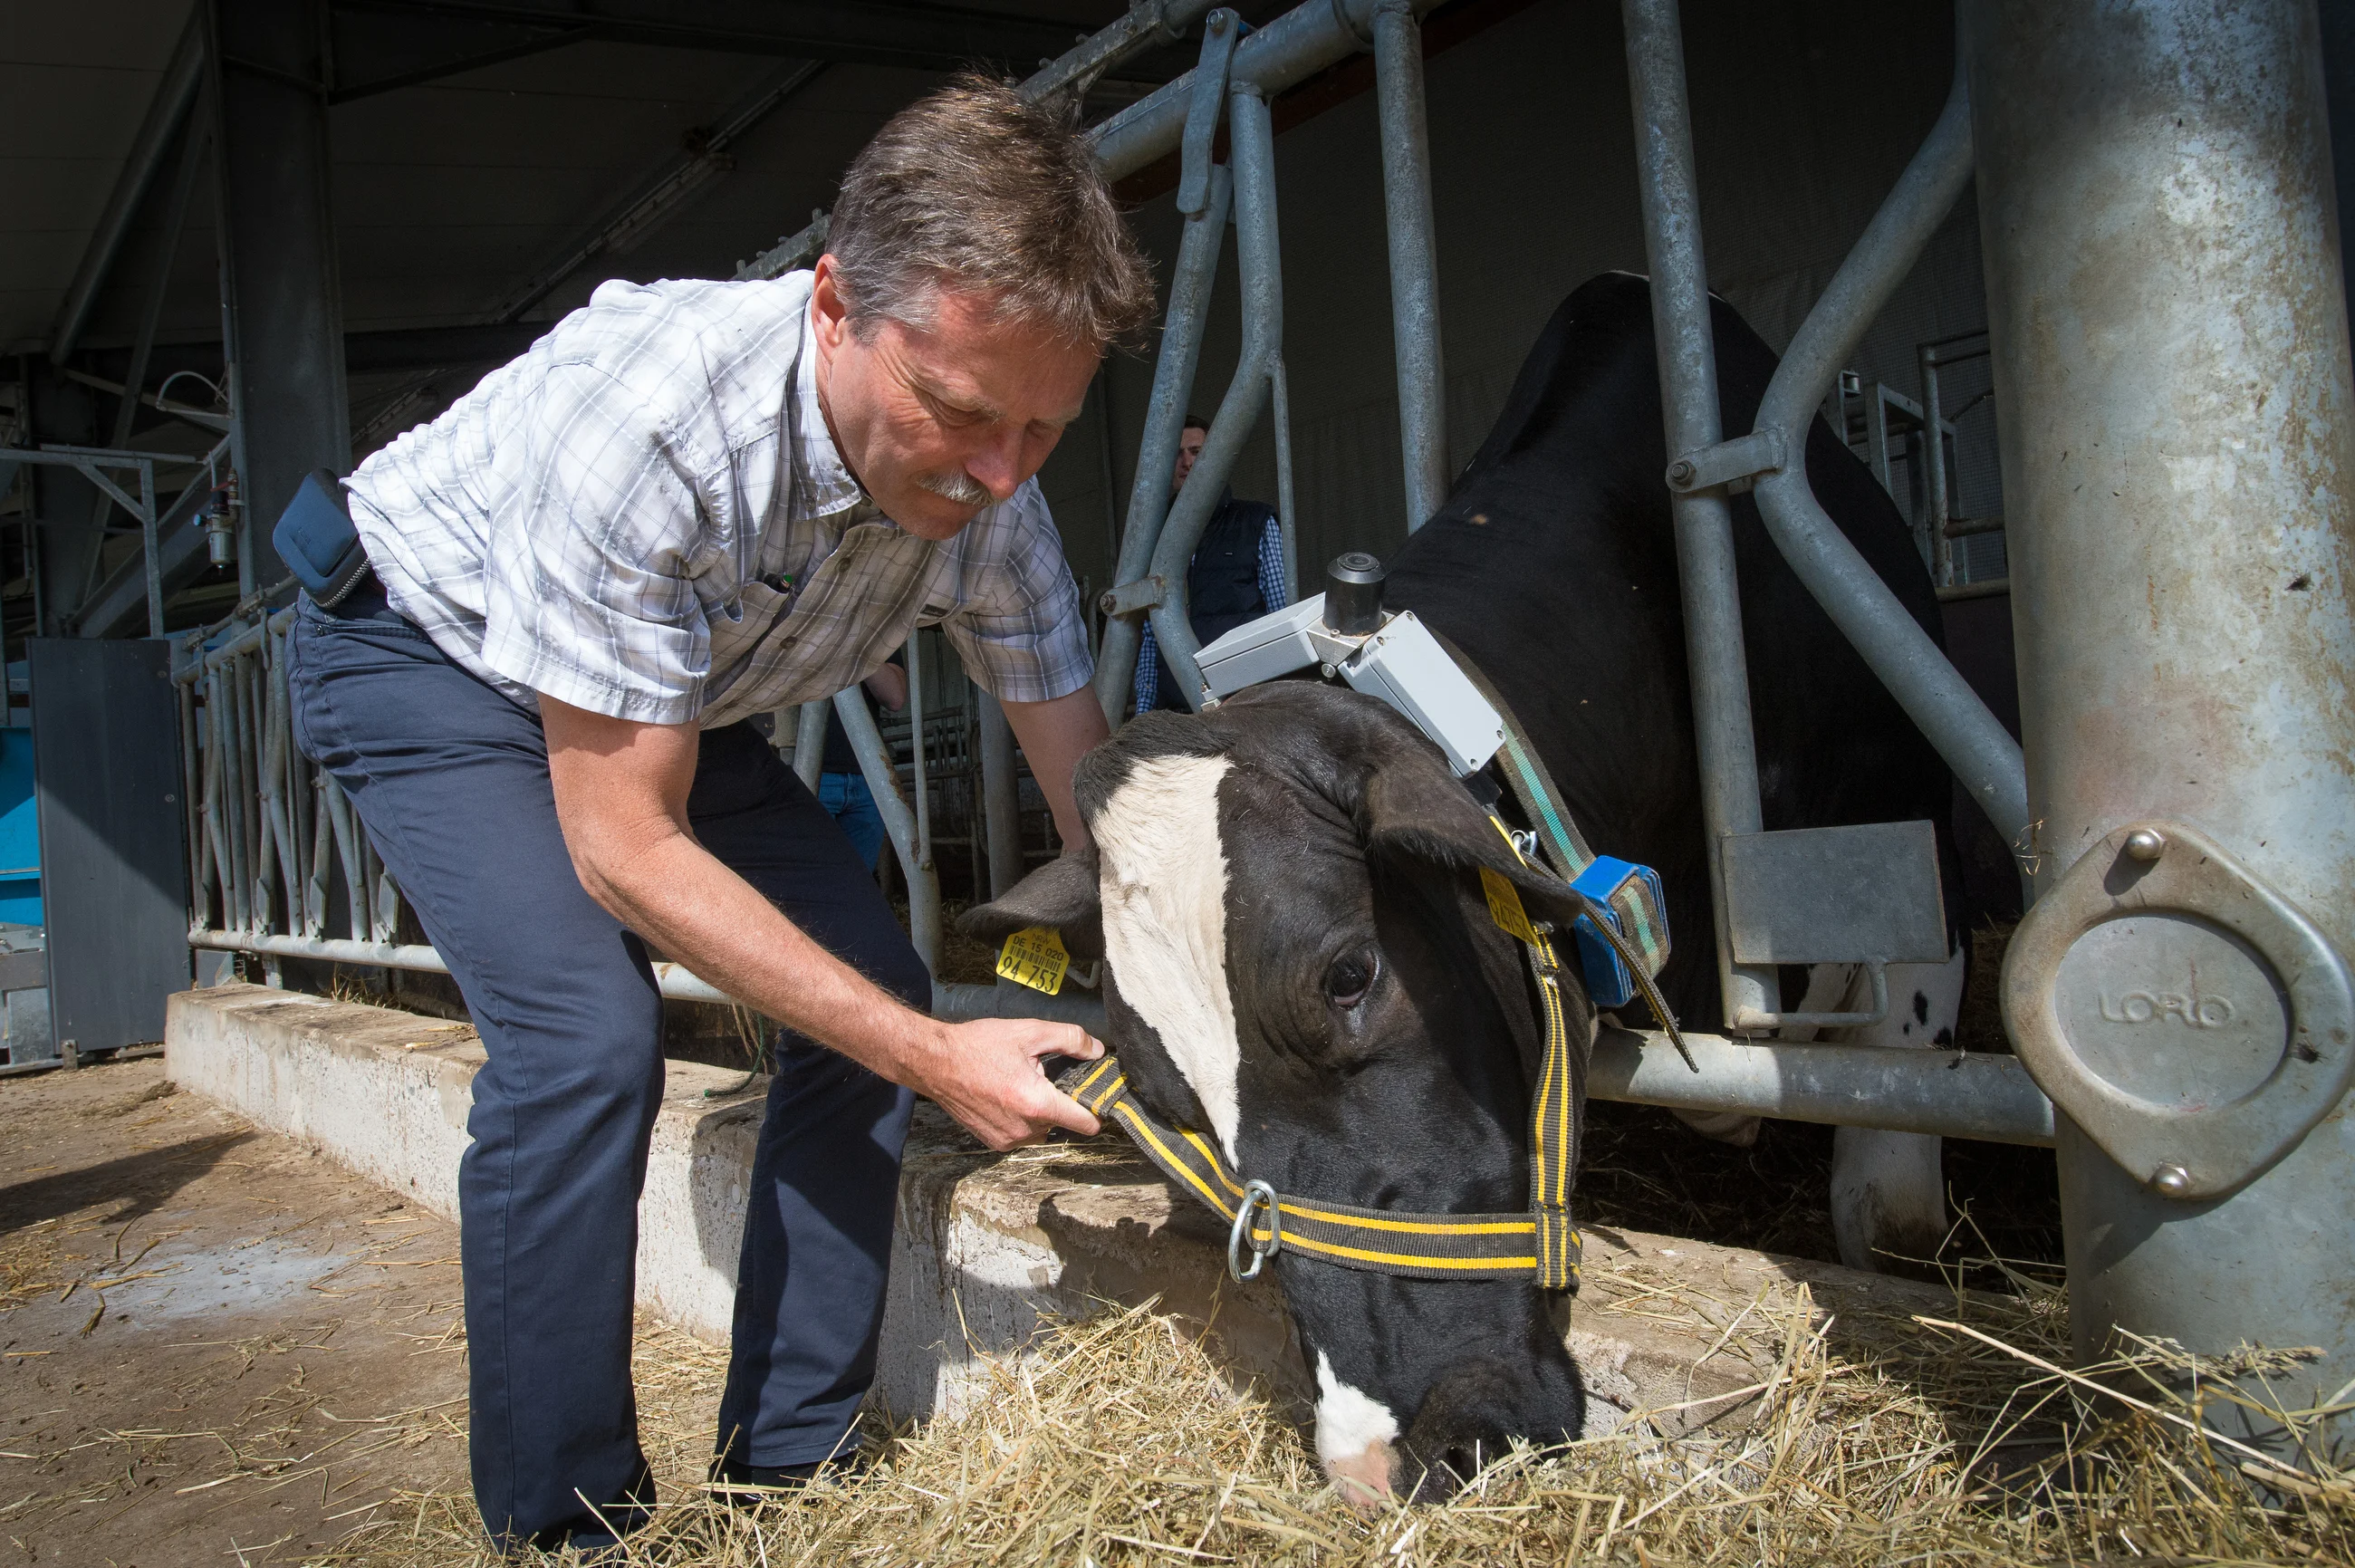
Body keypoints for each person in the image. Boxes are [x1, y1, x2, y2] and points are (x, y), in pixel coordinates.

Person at [283, 78, 1156, 1554]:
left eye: (1041, 430)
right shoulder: (652, 423)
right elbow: (623, 845)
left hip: (678, 689)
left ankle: (788, 1479)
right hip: (433, 655)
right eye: (954, 411)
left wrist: (1180, 968)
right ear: (832, 304)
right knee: (585, 1037)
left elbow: (1089, 798)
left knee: (864, 994)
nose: (1000, 475)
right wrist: (939, 1052)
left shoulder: (991, 488)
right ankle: (570, 1528)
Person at [1133, 414, 1291, 714]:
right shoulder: (1151, 538)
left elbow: (1281, 615)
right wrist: (1144, 710)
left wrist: (1279, 701)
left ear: (1216, 459)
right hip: (1178, 710)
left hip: (1245, 702)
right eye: (1177, 454)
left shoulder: (1255, 521)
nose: (1187, 462)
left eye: (1196, 452)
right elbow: (1151, 637)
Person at [813, 654, 906, 871]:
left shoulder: (876, 627)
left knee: (860, 880)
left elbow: (895, 698)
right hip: (806, 769)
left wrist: (857, 644)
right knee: (810, 880)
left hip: (866, 774)